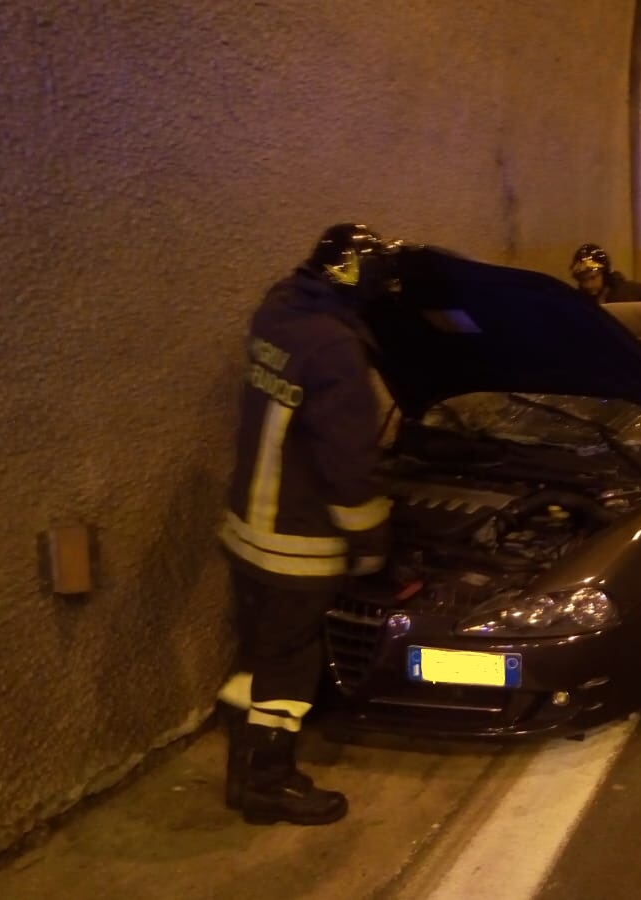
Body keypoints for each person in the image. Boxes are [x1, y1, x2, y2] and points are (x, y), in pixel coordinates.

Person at [215, 222, 397, 825]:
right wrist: (372, 540)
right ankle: (271, 782)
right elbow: (348, 465)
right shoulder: (337, 351)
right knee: (290, 670)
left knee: (258, 656)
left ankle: (242, 773)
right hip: (296, 544)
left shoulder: (277, 316)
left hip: (246, 530)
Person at [570, 243, 641, 303]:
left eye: (593, 278)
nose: (588, 285)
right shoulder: (578, 302)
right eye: (583, 280)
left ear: (605, 274)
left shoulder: (635, 293)